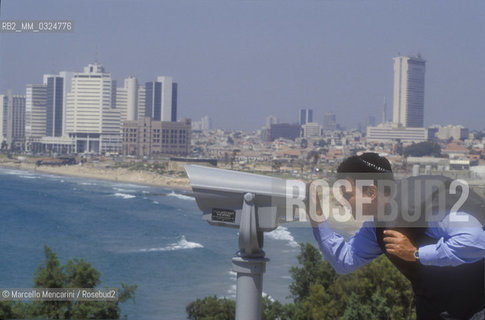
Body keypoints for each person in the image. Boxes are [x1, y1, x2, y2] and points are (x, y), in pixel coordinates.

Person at [309, 152, 485, 320]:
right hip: (435, 311)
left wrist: (416, 253)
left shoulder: (423, 207)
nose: (342, 201)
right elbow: (344, 262)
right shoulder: (375, 225)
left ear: (371, 192)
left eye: (348, 195)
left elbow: (476, 241)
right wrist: (315, 213)